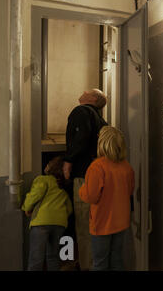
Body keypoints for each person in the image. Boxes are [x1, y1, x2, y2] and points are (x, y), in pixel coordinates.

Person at [79, 126, 135, 271]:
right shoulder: (127, 167)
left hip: (102, 223)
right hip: (121, 223)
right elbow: (129, 192)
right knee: (117, 260)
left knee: (100, 263)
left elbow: (91, 196)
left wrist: (81, 190)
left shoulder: (97, 167)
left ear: (102, 143)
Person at [63, 89, 107, 270]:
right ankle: (96, 262)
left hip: (83, 176)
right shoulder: (101, 120)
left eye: (88, 91)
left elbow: (80, 138)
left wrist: (68, 160)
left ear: (93, 99)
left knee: (83, 223)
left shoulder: (81, 111)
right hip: (99, 176)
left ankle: (86, 265)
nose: (83, 91)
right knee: (95, 223)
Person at [22, 156, 73, 271]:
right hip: (59, 225)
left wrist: (27, 207)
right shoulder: (62, 190)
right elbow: (69, 209)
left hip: (41, 223)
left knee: (36, 259)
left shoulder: (43, 180)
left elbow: (35, 195)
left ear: (52, 168)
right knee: (53, 257)